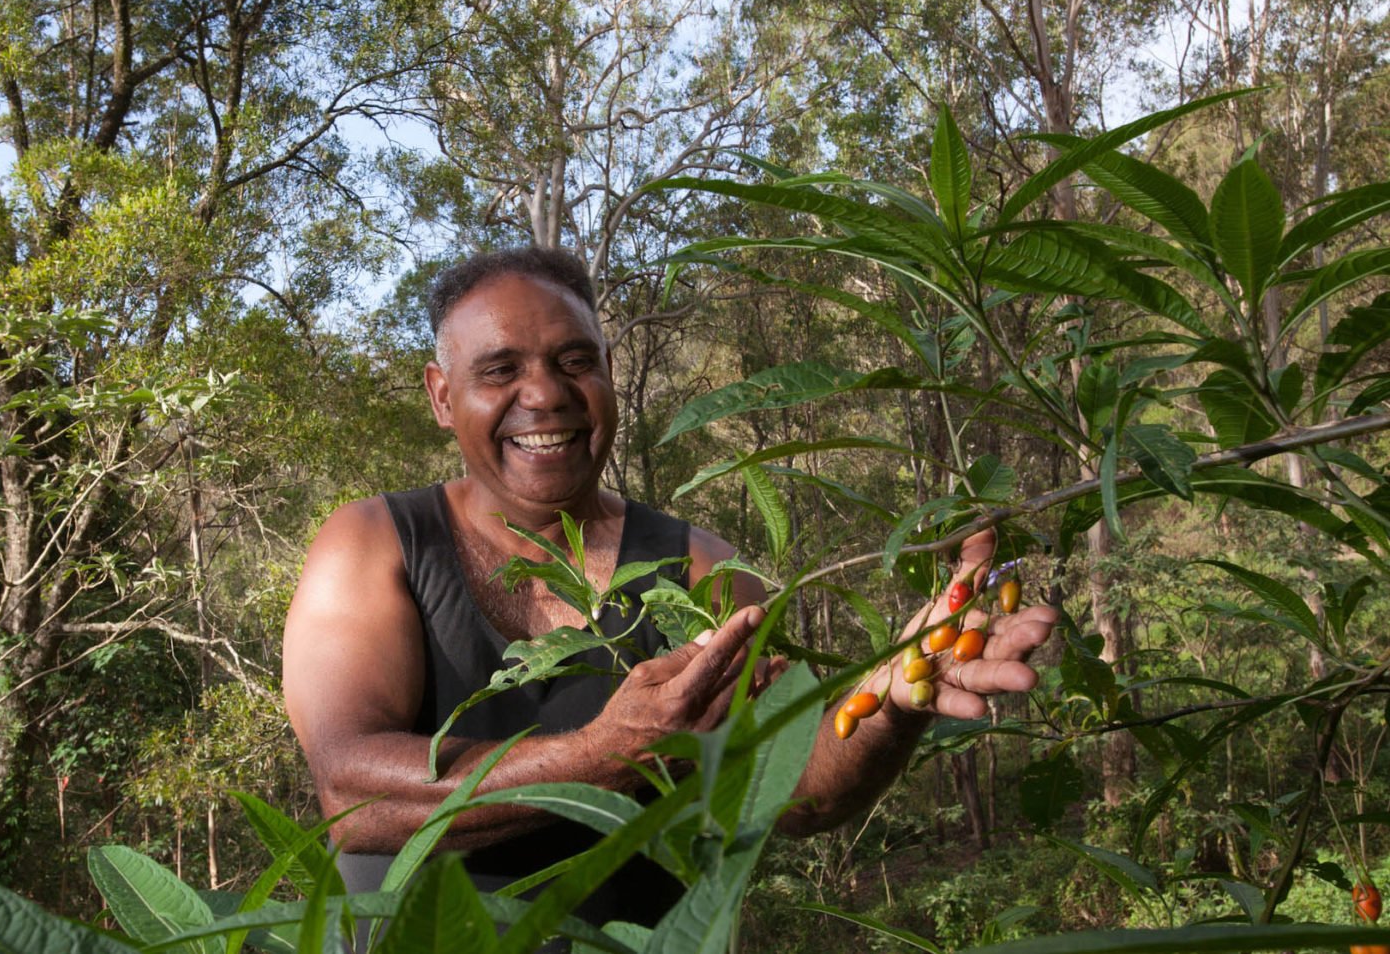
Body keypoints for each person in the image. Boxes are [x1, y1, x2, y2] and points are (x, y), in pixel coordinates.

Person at [281, 247, 1058, 932]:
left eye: (575, 361)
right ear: (443, 396)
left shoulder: (699, 566)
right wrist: (600, 757)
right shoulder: (376, 544)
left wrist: (895, 694)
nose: (546, 395)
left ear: (609, 377)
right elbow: (354, 796)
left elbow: (794, 794)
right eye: (501, 369)